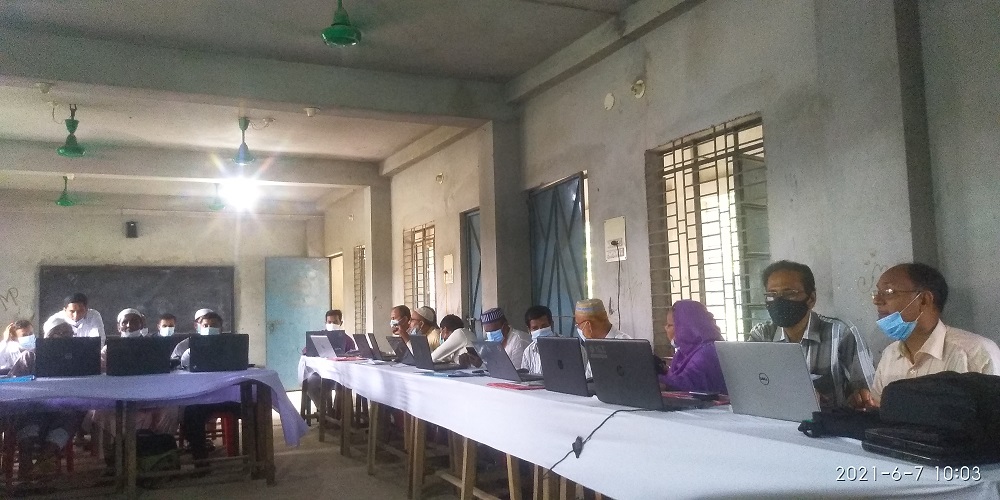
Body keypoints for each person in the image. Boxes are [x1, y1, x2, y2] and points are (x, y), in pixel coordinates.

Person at [867, 263, 1000, 407]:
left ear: (924, 300)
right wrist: (865, 405)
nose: (877, 301)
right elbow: (880, 411)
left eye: (889, 291)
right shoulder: (889, 355)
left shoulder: (976, 353)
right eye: (877, 293)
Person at [748, 260, 875, 409]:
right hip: (774, 419)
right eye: (772, 295)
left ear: (811, 299)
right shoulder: (762, 335)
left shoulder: (841, 333)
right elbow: (750, 384)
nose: (779, 301)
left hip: (827, 421)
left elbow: (869, 394)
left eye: (789, 294)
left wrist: (857, 398)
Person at [10, 318, 84, 477]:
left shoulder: (78, 358)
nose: (65, 337)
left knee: (70, 416)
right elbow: (13, 385)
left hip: (64, 408)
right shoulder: (30, 356)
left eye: (69, 333)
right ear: (47, 336)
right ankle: (27, 469)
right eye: (59, 333)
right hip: (32, 408)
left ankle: (41, 466)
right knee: (26, 422)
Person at [178, 311, 240, 463]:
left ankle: (255, 458)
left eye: (214, 325)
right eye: (205, 325)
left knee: (253, 407)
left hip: (229, 397)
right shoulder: (189, 350)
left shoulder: (232, 346)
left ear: (221, 328)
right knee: (191, 414)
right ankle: (201, 462)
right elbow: (181, 371)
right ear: (198, 327)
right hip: (202, 399)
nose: (209, 328)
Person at [659, 301, 727, 394]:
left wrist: (655, 380)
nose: (665, 328)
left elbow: (687, 386)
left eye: (670, 325)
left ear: (685, 327)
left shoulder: (707, 353)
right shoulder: (682, 354)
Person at [520, 305, 558, 376]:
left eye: (544, 326)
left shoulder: (568, 348)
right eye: (535, 328)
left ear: (552, 325)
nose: (540, 331)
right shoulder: (528, 352)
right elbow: (525, 378)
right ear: (529, 330)